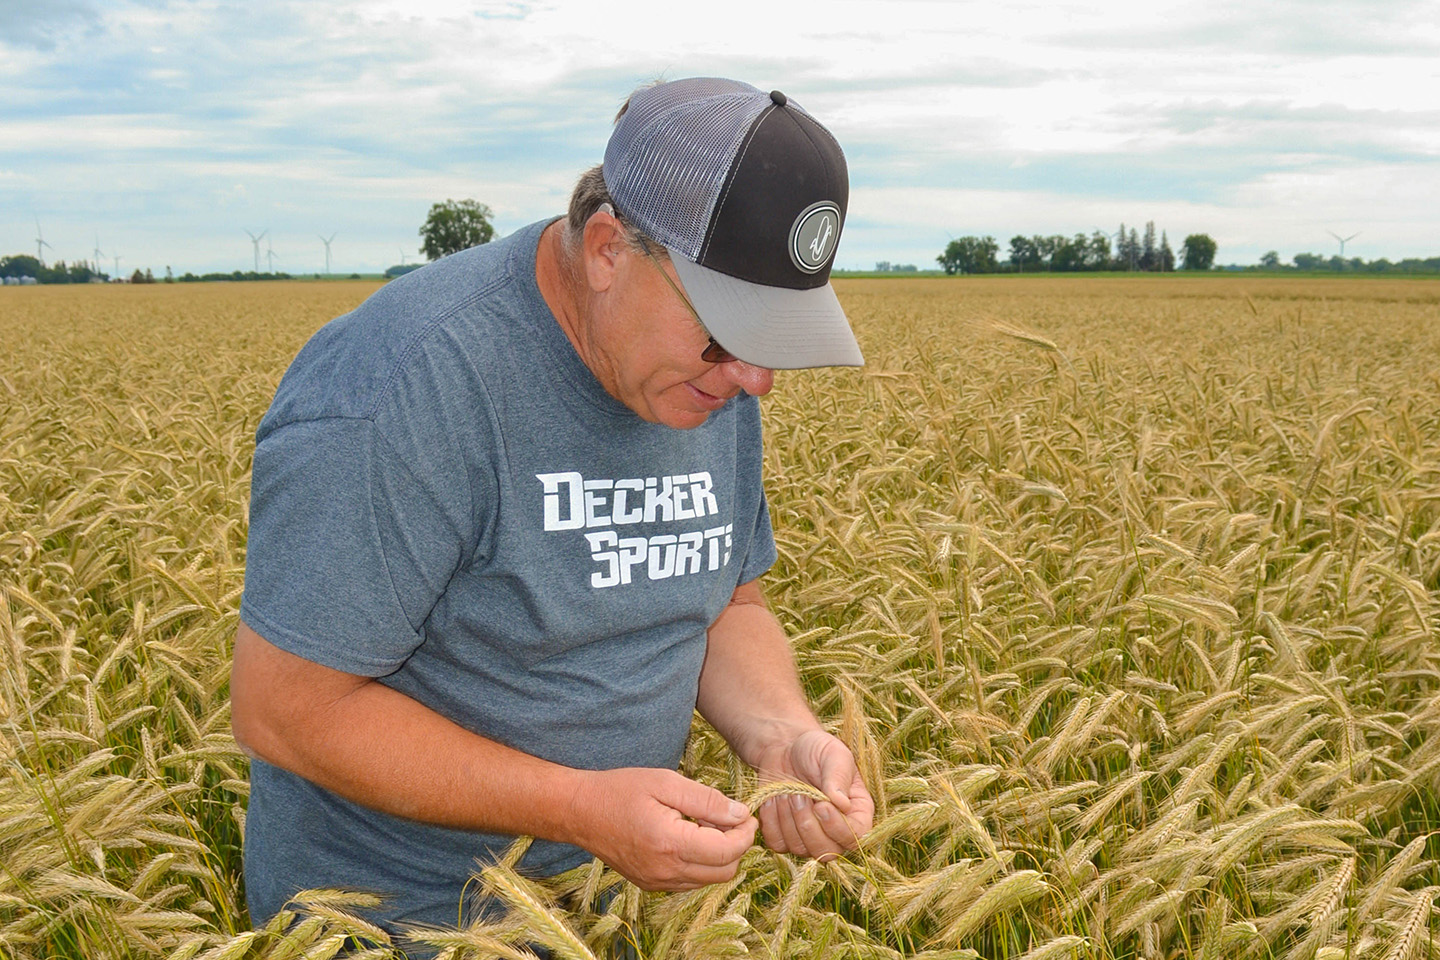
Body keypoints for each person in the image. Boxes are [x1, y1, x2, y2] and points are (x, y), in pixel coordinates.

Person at [230, 77, 874, 947]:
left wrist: (779, 736)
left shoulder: (704, 383)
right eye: (726, 333)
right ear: (609, 248)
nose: (753, 380)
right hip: (396, 922)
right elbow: (286, 709)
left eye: (773, 342)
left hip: (618, 907)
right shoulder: (402, 388)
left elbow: (726, 600)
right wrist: (579, 807)